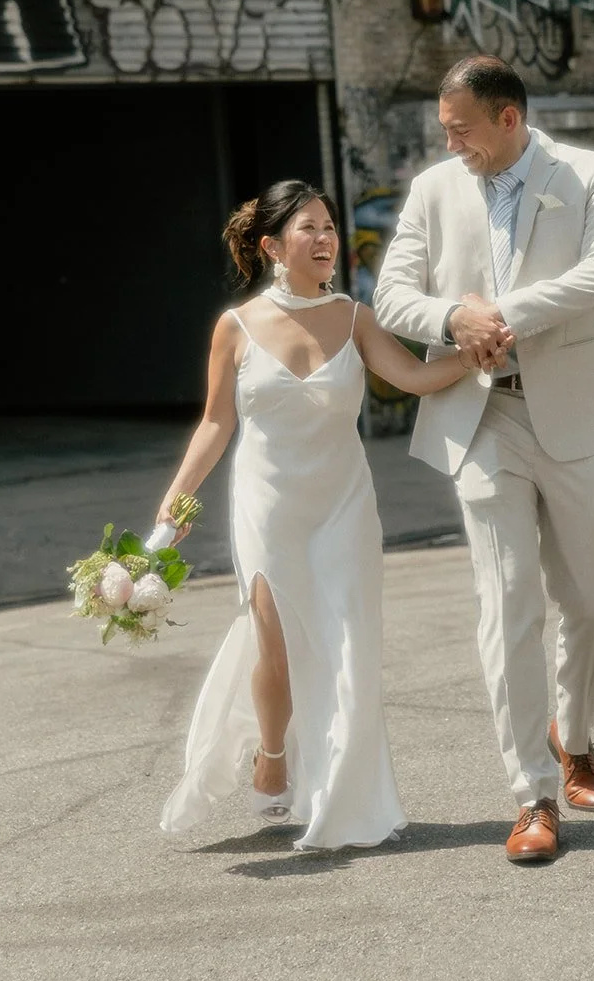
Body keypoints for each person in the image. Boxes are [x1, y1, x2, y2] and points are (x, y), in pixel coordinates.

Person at [373, 55, 594, 865]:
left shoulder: (586, 173)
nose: (449, 143)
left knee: (591, 600)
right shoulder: (433, 189)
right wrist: (452, 318)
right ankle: (531, 793)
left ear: (507, 117)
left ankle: (576, 738)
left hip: (576, 411)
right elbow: (391, 295)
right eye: (442, 131)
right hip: (480, 415)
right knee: (506, 602)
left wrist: (501, 315)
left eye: (460, 129)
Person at [156, 178, 470, 851]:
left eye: (329, 226)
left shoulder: (355, 318)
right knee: (275, 645)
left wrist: (473, 355)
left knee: (349, 644)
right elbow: (215, 422)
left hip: (343, 505)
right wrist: (176, 500)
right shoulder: (237, 327)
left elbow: (413, 378)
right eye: (310, 228)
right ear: (273, 246)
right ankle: (272, 751)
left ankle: (345, 798)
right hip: (267, 505)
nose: (326, 238)